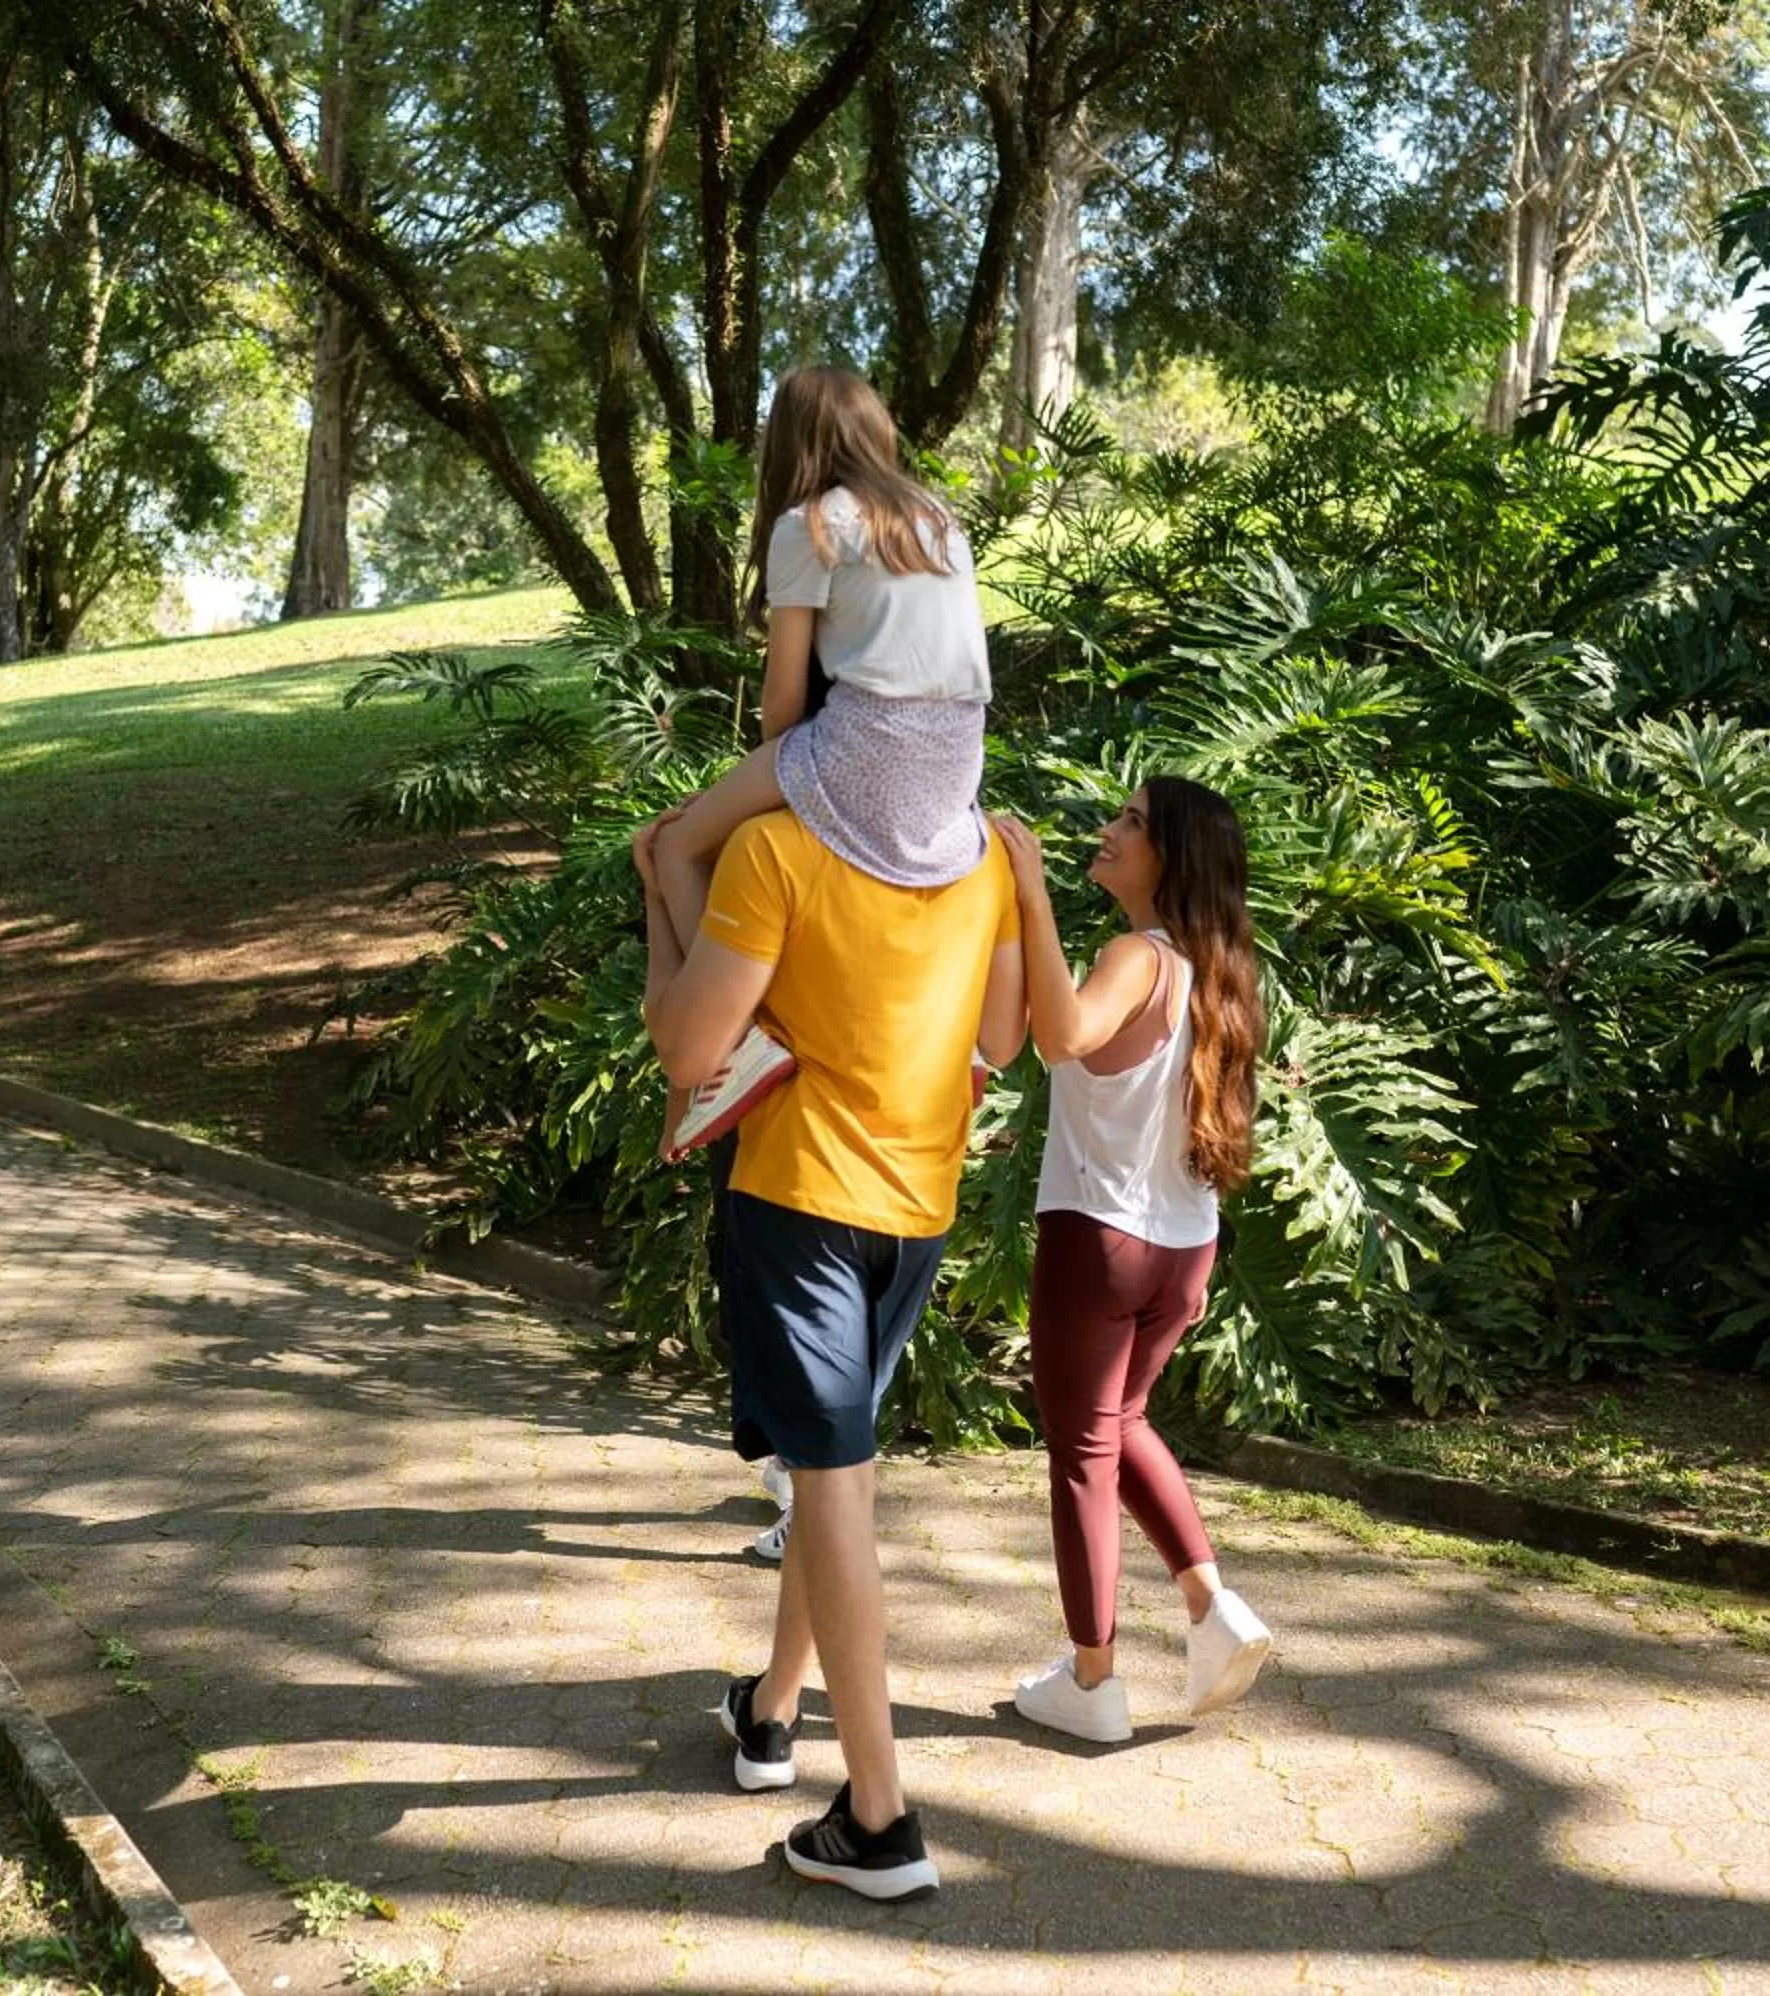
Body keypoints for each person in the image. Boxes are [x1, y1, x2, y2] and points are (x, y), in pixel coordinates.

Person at [632, 783, 1024, 1901]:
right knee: (832, 1470)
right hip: (918, 1210)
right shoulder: (977, 852)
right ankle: (769, 1716)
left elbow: (687, 1048)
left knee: (834, 1483)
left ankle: (879, 1815)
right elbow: (1002, 1035)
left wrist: (664, 888)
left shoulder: (775, 846)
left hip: (801, 1201)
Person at [647, 364, 993, 1158]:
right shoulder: (939, 519)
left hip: (868, 743)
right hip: (954, 762)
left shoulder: (811, 523)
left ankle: (731, 1049)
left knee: (678, 842)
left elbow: (779, 703)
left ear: (790, 443)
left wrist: (764, 774)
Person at [991, 779, 1273, 1744]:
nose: (1107, 833)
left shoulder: (1138, 956)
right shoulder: (1224, 970)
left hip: (1099, 1239)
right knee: (1123, 1421)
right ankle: (1212, 1608)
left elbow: (1059, 1035)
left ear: (1173, 859)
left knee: (1081, 1452)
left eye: (1132, 824)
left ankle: (1093, 1681)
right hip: (1183, 1249)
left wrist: (1027, 887)